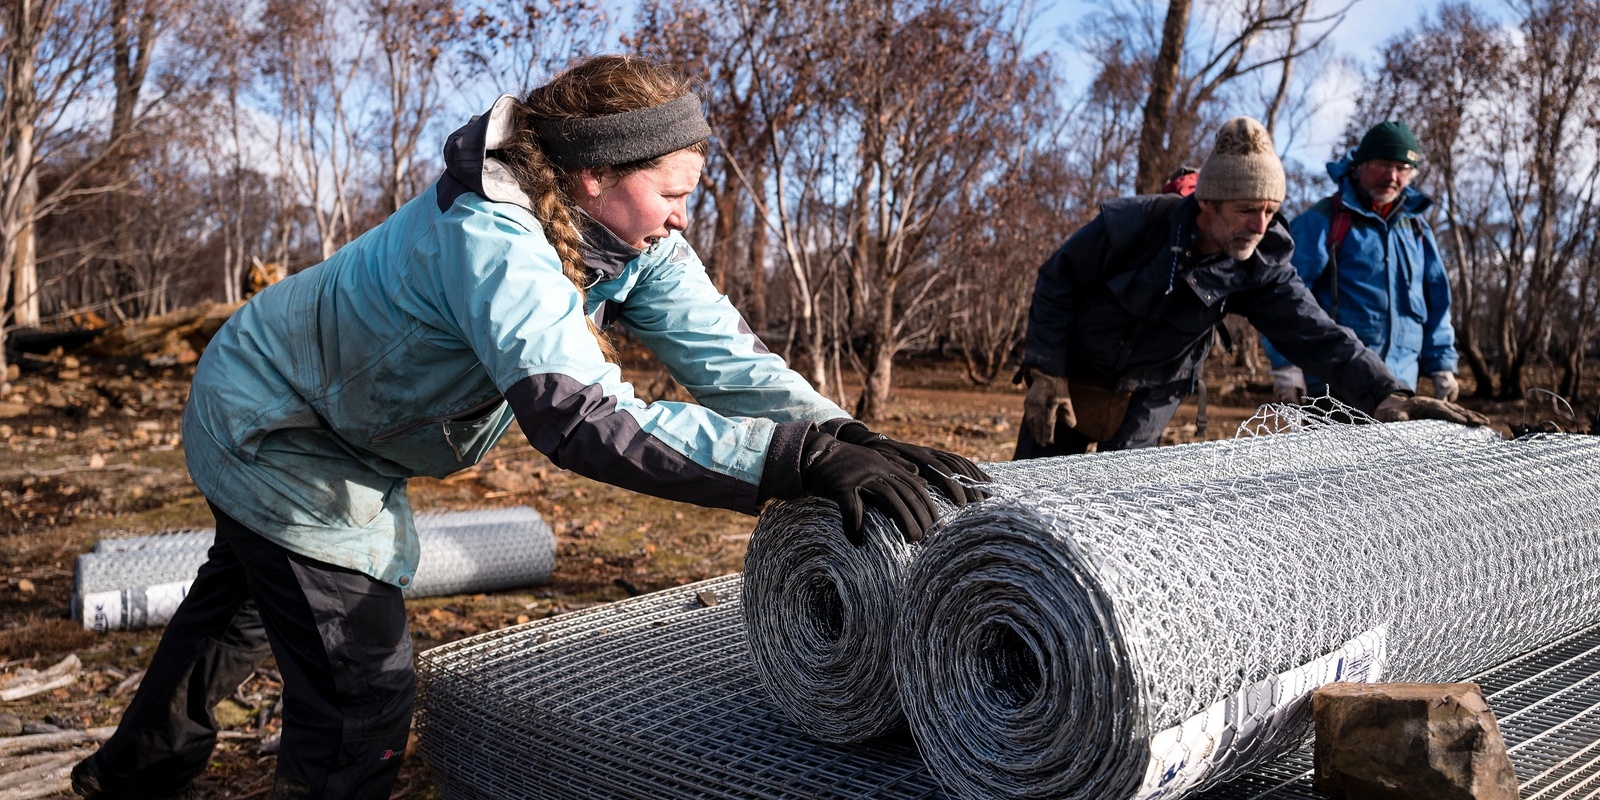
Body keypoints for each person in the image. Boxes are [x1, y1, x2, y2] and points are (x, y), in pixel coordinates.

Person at [70, 55, 987, 800]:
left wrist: (847, 438)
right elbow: (583, 419)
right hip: (281, 427)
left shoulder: (630, 240)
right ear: (596, 174)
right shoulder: (494, 239)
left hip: (313, 409)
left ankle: (129, 778)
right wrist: (792, 461)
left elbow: (731, 362)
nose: (681, 216)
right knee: (360, 698)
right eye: (672, 191)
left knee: (235, 613)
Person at [1015, 116, 1486, 459]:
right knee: (1033, 495)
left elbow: (1318, 334)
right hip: (1073, 372)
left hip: (1158, 385)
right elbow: (1058, 280)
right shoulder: (1134, 223)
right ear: (1207, 204)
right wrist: (1046, 371)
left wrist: (1389, 392)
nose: (1260, 225)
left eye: (1270, 209)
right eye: (1246, 210)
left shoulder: (1260, 264)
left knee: (1113, 499)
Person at [1265, 120, 1460, 404]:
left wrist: (1442, 364)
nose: (1392, 176)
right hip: (1333, 388)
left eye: (1402, 168)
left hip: (1401, 389)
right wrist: (1286, 365)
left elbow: (1437, 303)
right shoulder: (1323, 220)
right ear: (1360, 165)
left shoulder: (1418, 230)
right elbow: (1280, 297)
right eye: (1382, 164)